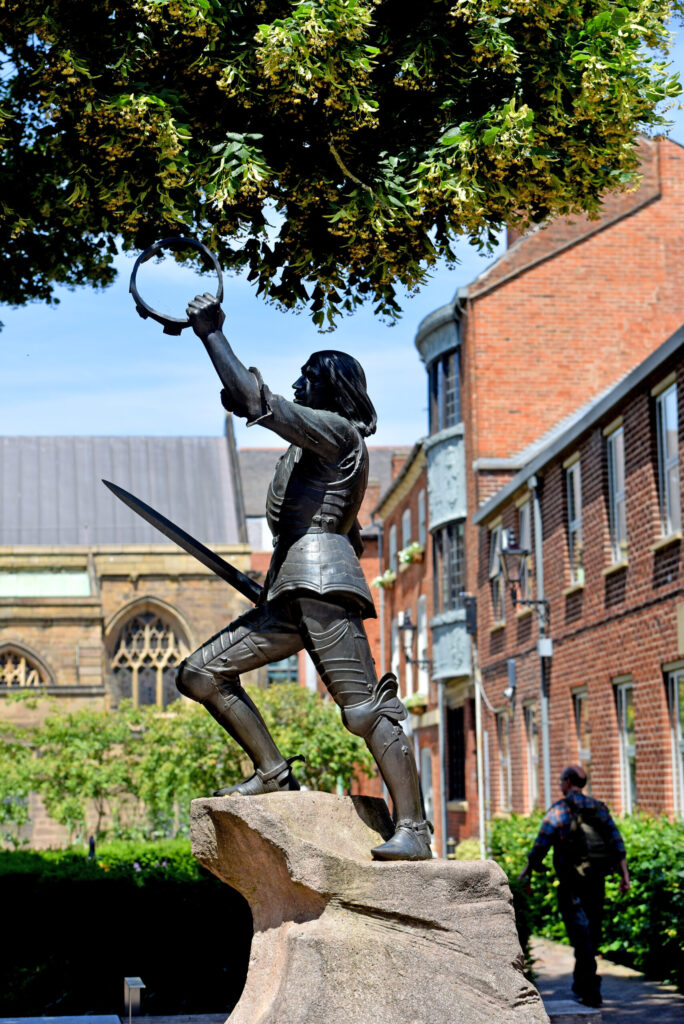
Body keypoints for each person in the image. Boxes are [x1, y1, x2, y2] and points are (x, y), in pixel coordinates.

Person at [175, 292, 432, 861]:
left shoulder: (339, 433)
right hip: (292, 588)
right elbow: (345, 527)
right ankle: (271, 772)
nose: (298, 383)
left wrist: (211, 333)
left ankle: (413, 828)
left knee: (363, 709)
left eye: (307, 377)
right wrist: (278, 580)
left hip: (320, 588)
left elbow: (251, 399)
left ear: (331, 390)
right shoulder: (312, 452)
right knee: (199, 674)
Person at [518, 765, 630, 1008]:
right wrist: (625, 877)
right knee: (589, 935)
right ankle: (584, 984)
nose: (560, 784)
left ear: (568, 782)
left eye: (560, 780)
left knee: (581, 936)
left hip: (571, 885)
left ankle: (590, 987)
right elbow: (617, 843)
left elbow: (539, 847)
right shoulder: (599, 809)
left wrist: (528, 873)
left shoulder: (559, 811)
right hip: (596, 882)